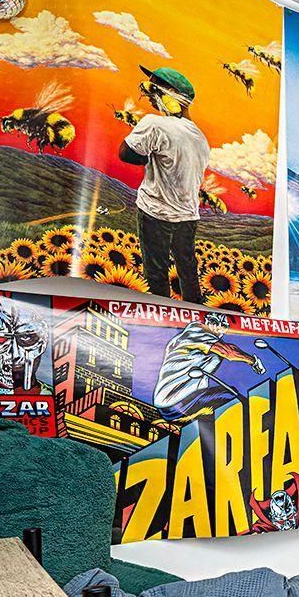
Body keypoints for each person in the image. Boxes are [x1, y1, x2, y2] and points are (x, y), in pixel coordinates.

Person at [120, 66, 212, 303]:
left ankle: (160, 316)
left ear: (170, 95)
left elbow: (125, 153)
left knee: (156, 273)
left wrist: (147, 157)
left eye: (154, 91)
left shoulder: (155, 124)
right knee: (188, 270)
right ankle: (196, 313)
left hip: (155, 213)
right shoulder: (201, 139)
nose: (150, 98)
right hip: (188, 216)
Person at [153, 311, 266, 420]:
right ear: (210, 322)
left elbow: (228, 349)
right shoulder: (196, 332)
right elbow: (228, 352)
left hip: (182, 400)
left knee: (223, 401)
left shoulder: (202, 342)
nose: (220, 331)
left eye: (224, 327)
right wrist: (253, 361)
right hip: (175, 402)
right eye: (218, 325)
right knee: (231, 397)